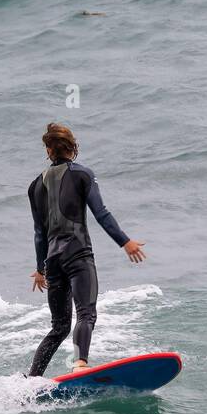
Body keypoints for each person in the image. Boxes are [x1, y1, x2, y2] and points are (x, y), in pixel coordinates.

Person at [27, 123, 145, 376]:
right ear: (74, 147)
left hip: (52, 261)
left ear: (48, 150)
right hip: (77, 254)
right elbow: (101, 213)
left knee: (59, 327)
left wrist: (40, 269)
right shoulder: (83, 175)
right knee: (85, 314)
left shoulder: (35, 185)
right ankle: (80, 363)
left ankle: (32, 378)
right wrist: (125, 241)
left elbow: (39, 232)